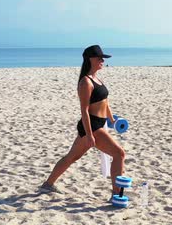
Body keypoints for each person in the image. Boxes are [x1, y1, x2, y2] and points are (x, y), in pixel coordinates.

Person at [40, 45, 126, 197]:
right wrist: (89, 134)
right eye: (99, 58)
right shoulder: (85, 82)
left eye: (103, 58)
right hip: (91, 126)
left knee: (72, 157)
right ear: (90, 59)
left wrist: (113, 120)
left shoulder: (97, 78)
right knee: (119, 154)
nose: (102, 60)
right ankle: (116, 194)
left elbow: (105, 102)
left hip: (99, 124)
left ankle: (47, 184)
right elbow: (84, 110)